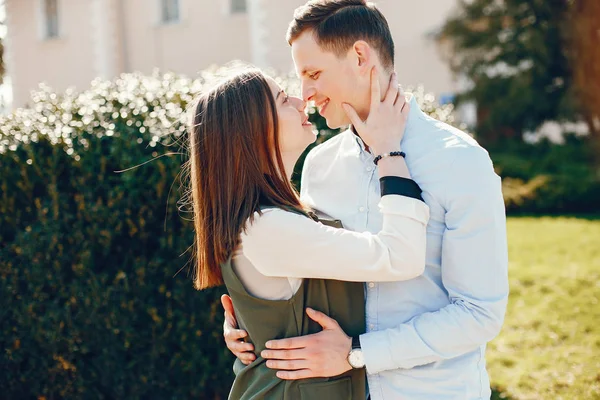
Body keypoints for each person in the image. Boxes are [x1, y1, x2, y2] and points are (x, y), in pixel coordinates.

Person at [222, 1, 509, 399]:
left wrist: (359, 353)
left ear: (359, 56)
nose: (305, 93)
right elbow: (304, 268)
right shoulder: (319, 164)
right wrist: (253, 321)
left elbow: (480, 313)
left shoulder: (460, 161)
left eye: (313, 73)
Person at [188, 65, 430, 400]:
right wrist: (388, 150)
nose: (302, 102)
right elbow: (401, 257)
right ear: (255, 129)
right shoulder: (268, 227)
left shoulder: (270, 218)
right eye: (284, 100)